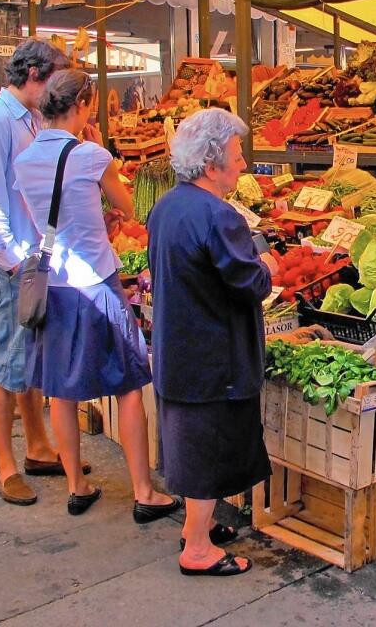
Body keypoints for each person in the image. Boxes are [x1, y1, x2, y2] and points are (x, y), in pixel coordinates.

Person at [14, 70, 178, 518]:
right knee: (127, 385)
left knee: (61, 390)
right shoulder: (90, 155)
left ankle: (76, 484)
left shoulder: (24, 160)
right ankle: (144, 492)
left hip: (53, 286)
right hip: (95, 284)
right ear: (84, 104)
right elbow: (130, 207)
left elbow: (41, 219)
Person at [147, 109, 277, 577]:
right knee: (208, 446)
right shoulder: (220, 216)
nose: (243, 165)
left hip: (178, 345)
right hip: (214, 353)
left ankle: (194, 528)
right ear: (210, 164)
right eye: (237, 157)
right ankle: (197, 549)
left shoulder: (166, 206)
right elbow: (248, 284)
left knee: (188, 439)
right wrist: (268, 269)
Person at [0, 38, 70, 505]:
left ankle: (38, 447)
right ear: (34, 75)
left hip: (33, 257)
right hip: (13, 262)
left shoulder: (28, 118)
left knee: (27, 356)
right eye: (54, 80)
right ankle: (4, 466)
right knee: (7, 361)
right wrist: (12, 261)